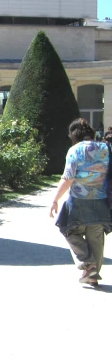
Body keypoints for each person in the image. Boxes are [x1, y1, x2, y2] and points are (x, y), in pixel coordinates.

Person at [50, 118, 111, 287]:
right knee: (96, 238)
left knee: (68, 229)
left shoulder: (74, 150)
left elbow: (68, 178)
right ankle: (92, 276)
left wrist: (55, 200)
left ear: (74, 135)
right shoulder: (107, 148)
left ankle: (88, 264)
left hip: (79, 201)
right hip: (101, 201)